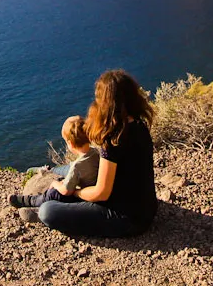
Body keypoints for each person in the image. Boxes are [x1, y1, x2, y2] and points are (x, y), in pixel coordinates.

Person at [37, 69, 158, 237]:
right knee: (69, 169)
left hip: (126, 219)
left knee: (47, 211)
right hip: (147, 210)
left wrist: (76, 192)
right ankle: (50, 172)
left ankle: (50, 186)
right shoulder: (140, 125)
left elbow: (101, 193)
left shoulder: (114, 140)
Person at [9, 115, 99, 208]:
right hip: (91, 189)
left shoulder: (77, 166)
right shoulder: (96, 152)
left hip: (84, 197)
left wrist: (55, 184)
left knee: (53, 193)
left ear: (70, 143)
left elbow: (66, 191)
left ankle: (30, 201)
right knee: (62, 180)